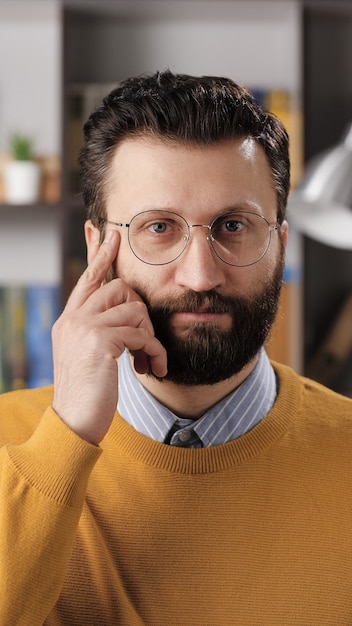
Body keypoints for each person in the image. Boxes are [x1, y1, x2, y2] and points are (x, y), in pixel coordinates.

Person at [1, 70, 352, 626]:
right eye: (159, 227)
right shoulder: (10, 445)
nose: (200, 276)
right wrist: (66, 436)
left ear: (281, 244)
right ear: (99, 248)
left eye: (234, 225)